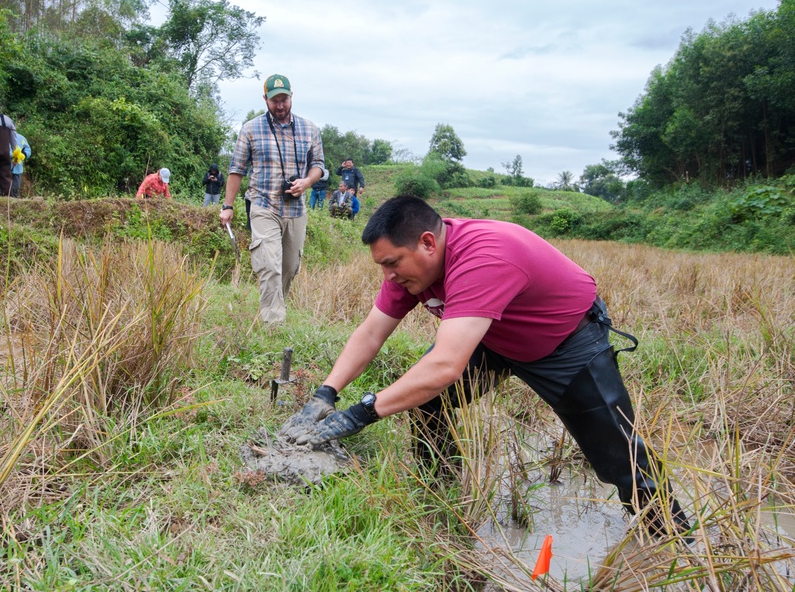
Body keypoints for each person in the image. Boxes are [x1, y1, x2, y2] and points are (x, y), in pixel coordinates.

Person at [279, 196, 692, 539]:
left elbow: (445, 365)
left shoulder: (483, 257)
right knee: (425, 398)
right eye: (381, 266)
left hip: (566, 345)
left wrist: (360, 412)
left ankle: (673, 540)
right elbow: (371, 333)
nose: (388, 275)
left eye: (393, 263)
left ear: (427, 243)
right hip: (493, 339)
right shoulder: (413, 272)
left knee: (622, 460)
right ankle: (438, 488)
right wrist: (325, 395)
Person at [220, 74, 324, 324]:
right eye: (275, 100)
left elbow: (319, 165)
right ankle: (273, 325)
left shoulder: (310, 129)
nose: (280, 105)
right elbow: (237, 169)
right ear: (265, 99)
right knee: (269, 265)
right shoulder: (250, 129)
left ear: (291, 97)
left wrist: (307, 182)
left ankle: (276, 307)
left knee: (289, 268)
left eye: (284, 99)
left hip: (296, 209)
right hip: (263, 205)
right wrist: (228, 205)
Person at [10, 133, 31, 197]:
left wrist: (23, 155)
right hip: (4, 168)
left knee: (15, 188)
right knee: (2, 188)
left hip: (17, 169)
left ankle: (14, 203)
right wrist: (12, 156)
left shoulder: (21, 138)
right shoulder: (2, 136)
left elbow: (28, 149)